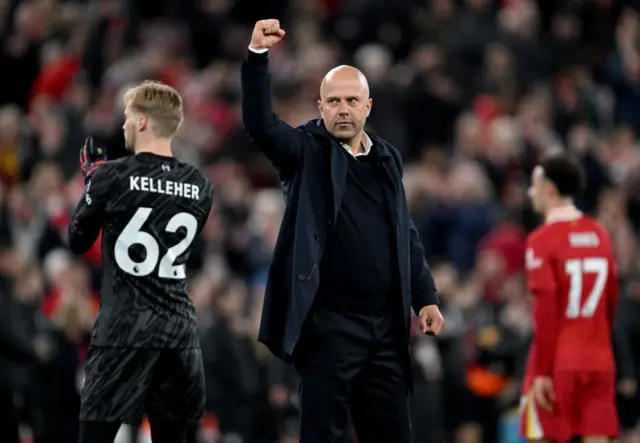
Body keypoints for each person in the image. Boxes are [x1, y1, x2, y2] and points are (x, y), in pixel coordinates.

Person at [241, 19, 445, 443]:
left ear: (368, 106)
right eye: (333, 101)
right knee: (323, 435)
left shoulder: (388, 158)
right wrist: (258, 57)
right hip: (329, 328)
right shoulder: (305, 151)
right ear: (320, 107)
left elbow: (403, 230)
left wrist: (425, 298)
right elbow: (261, 125)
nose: (343, 109)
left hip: (386, 328)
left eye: (352, 100)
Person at [67, 80, 214, 443]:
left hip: (124, 329)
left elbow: (76, 240)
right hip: (179, 333)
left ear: (144, 121)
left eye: (128, 117)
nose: (123, 125)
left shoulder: (111, 175)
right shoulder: (200, 184)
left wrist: (91, 185)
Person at [521, 154, 619, 443]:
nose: (531, 193)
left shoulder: (542, 240)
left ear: (549, 189)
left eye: (534, 186)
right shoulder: (600, 234)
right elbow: (610, 302)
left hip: (558, 360)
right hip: (599, 357)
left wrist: (541, 371)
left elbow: (545, 311)